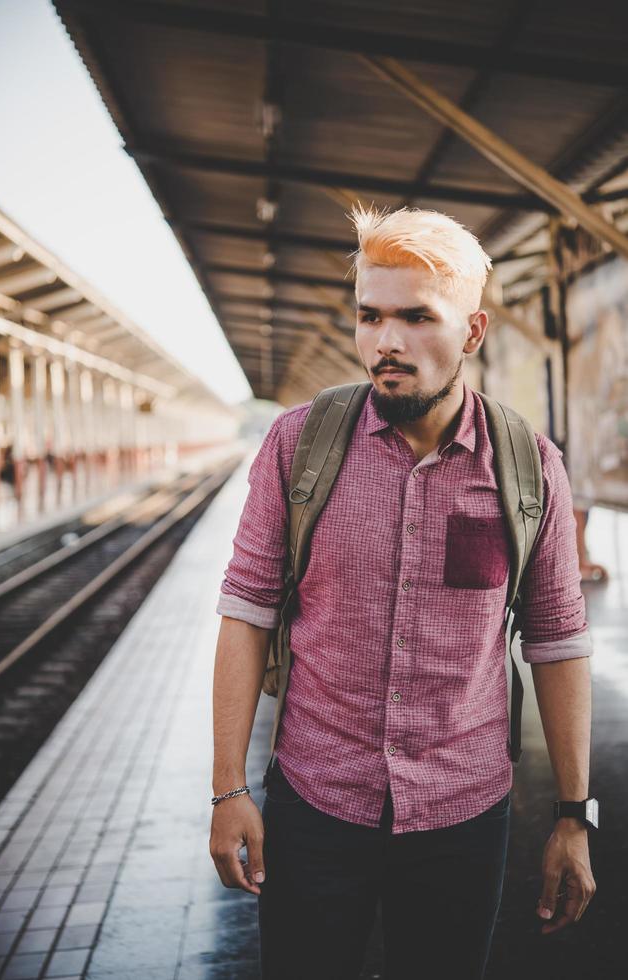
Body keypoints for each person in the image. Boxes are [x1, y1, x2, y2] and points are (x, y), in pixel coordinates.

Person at [209, 205, 597, 980]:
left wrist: (573, 817)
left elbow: (556, 641)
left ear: (474, 332)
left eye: (418, 317)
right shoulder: (298, 444)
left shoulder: (527, 466)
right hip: (315, 803)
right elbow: (246, 614)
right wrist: (227, 792)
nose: (386, 342)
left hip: (464, 813)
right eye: (369, 316)